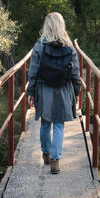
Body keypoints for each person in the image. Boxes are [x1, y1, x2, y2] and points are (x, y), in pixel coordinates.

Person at [26, 12, 81, 174]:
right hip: (64, 88)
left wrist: (31, 91)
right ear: (61, 25)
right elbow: (75, 73)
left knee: (45, 122)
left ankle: (46, 154)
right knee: (59, 125)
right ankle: (56, 161)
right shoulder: (69, 46)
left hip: (44, 88)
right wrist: (76, 92)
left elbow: (33, 70)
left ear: (47, 25)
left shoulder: (40, 44)